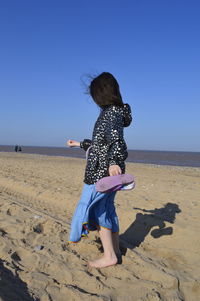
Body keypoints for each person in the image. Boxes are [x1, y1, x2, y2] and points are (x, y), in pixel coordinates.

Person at [67, 72, 132, 268]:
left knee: (98, 209)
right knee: (108, 209)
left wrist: (114, 162)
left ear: (101, 94)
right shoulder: (112, 112)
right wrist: (80, 144)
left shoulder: (111, 113)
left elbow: (116, 140)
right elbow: (100, 144)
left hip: (102, 172)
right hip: (106, 170)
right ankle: (116, 250)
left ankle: (110, 256)